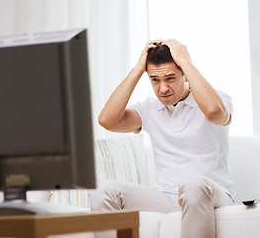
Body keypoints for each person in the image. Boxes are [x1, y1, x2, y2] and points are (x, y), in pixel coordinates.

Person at [91, 39, 235, 238]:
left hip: (212, 195)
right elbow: (107, 120)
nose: (163, 88)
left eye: (170, 78)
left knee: (192, 184)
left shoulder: (217, 98)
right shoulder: (149, 109)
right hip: (167, 198)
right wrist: (137, 70)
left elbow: (213, 112)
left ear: (184, 74)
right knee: (105, 190)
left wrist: (185, 61)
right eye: (155, 80)